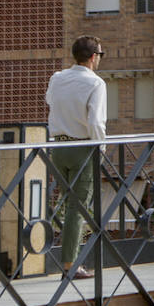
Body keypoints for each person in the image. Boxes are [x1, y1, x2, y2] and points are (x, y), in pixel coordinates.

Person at [45, 36, 108, 279]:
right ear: (93, 57)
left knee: (66, 204)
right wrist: (100, 148)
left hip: (58, 147)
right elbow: (95, 122)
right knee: (77, 208)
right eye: (100, 55)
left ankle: (68, 257)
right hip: (83, 148)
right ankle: (71, 265)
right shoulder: (96, 83)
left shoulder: (57, 78)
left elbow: (50, 101)